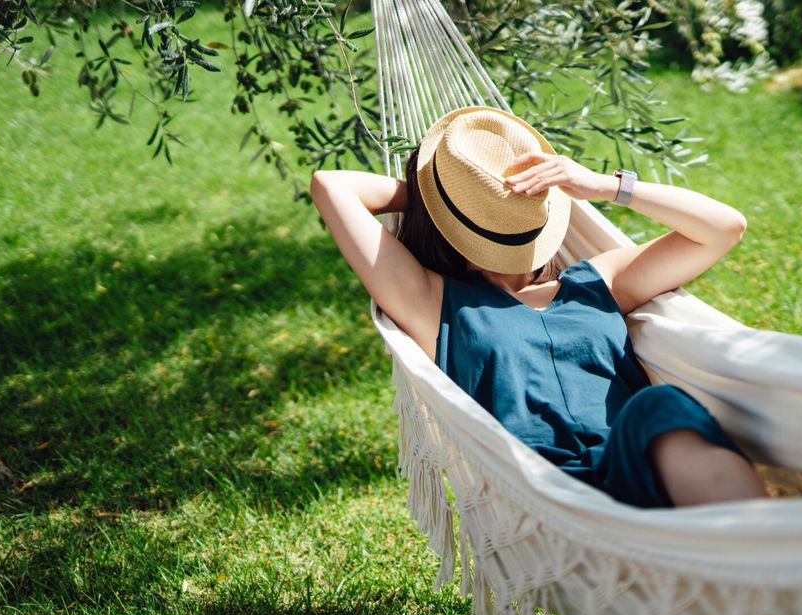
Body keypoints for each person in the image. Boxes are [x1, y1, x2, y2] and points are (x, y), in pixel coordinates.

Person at [310, 105, 767, 508]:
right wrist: (450, 197)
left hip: (634, 463)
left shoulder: (595, 282)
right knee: (659, 407)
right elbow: (331, 187)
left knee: (660, 404)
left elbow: (724, 228)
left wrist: (603, 186)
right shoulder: (435, 303)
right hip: (543, 492)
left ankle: (763, 552)